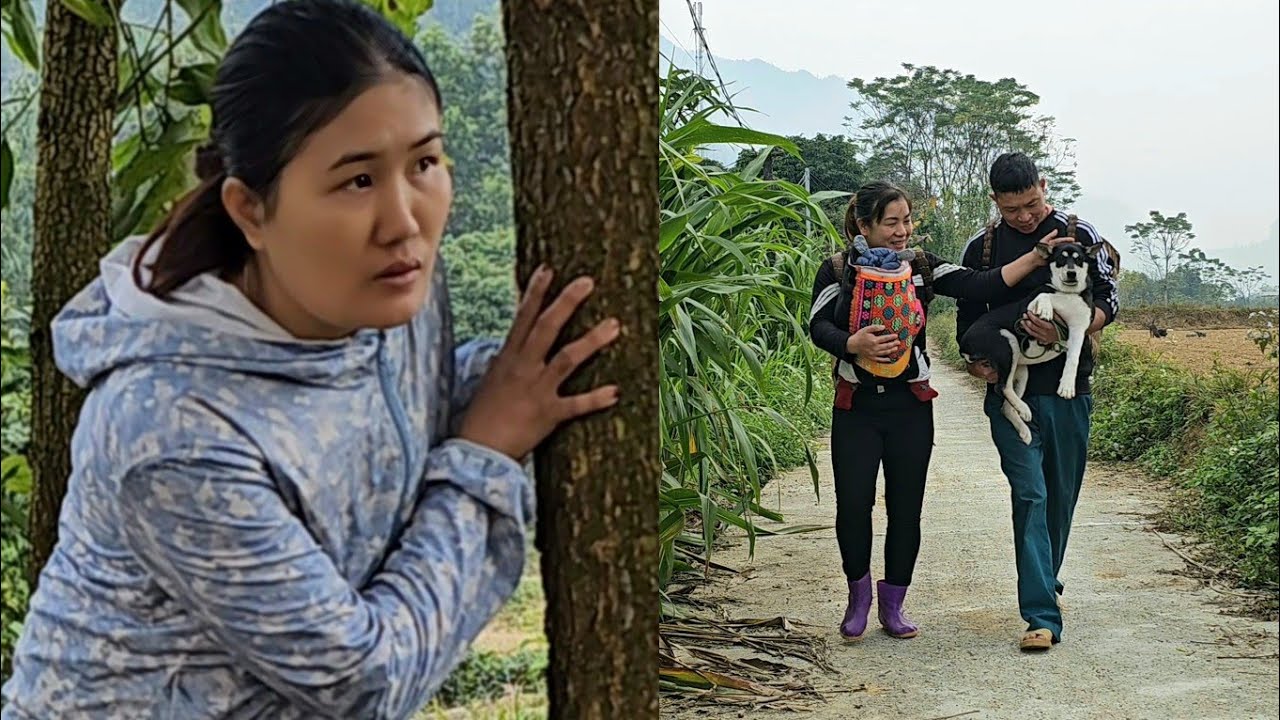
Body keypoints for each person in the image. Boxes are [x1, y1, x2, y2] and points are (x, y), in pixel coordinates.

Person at [0, 2, 621, 718]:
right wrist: (484, 457)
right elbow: (364, 681)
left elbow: (396, 405)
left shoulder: (384, 291)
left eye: (424, 162)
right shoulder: (171, 430)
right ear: (251, 211)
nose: (405, 220)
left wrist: (527, 374)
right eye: (358, 181)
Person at [808, 180, 1066, 642]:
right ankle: (859, 598)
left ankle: (894, 604)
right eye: (891, 223)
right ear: (863, 226)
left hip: (910, 407)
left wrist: (1037, 256)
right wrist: (852, 343)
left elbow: (980, 282)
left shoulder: (922, 268)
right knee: (854, 505)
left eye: (907, 220)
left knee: (907, 509)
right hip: (856, 409)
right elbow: (817, 324)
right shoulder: (836, 270)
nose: (903, 231)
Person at [955, 152, 1119, 652]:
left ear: (1044, 187)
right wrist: (976, 362)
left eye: (1031, 204)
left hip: (1070, 391)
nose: (1024, 217)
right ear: (995, 202)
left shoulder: (1081, 234)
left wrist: (1066, 329)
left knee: (1060, 496)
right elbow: (967, 317)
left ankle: (1046, 576)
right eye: (1012, 210)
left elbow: (1109, 301)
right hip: (1012, 393)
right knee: (1030, 496)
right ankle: (1041, 616)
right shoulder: (981, 248)